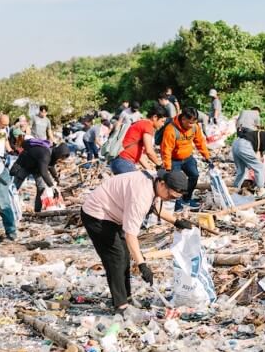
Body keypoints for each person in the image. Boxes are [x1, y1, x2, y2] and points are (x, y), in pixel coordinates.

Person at [81, 170, 193, 314]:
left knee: (124, 256)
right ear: (163, 183)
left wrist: (177, 222)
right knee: (115, 258)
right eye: (171, 195)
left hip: (113, 213)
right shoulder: (141, 196)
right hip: (97, 214)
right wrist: (142, 265)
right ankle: (120, 306)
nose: (170, 199)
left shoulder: (155, 183)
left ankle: (126, 298)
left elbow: (155, 207)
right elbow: (130, 235)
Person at [160, 107, 212, 210]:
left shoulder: (194, 127)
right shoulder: (171, 130)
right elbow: (166, 149)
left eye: (194, 122)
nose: (192, 125)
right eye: (190, 123)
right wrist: (168, 166)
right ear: (183, 119)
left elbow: (200, 142)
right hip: (174, 160)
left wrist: (206, 156)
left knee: (194, 175)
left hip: (188, 158)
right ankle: (177, 204)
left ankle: (187, 199)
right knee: (176, 182)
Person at [11, 142, 71, 212]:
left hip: (37, 168)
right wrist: (52, 186)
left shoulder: (54, 156)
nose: (60, 160)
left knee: (41, 189)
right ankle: (9, 206)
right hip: (25, 164)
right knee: (15, 187)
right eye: (61, 158)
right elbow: (44, 172)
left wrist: (56, 177)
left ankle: (37, 211)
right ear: (59, 153)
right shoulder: (45, 154)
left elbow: (50, 166)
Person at [110, 106, 168, 175]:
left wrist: (151, 171)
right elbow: (149, 151)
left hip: (119, 161)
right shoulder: (148, 125)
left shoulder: (141, 123)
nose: (163, 124)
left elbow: (139, 156)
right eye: (162, 121)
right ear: (155, 117)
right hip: (124, 162)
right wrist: (160, 164)